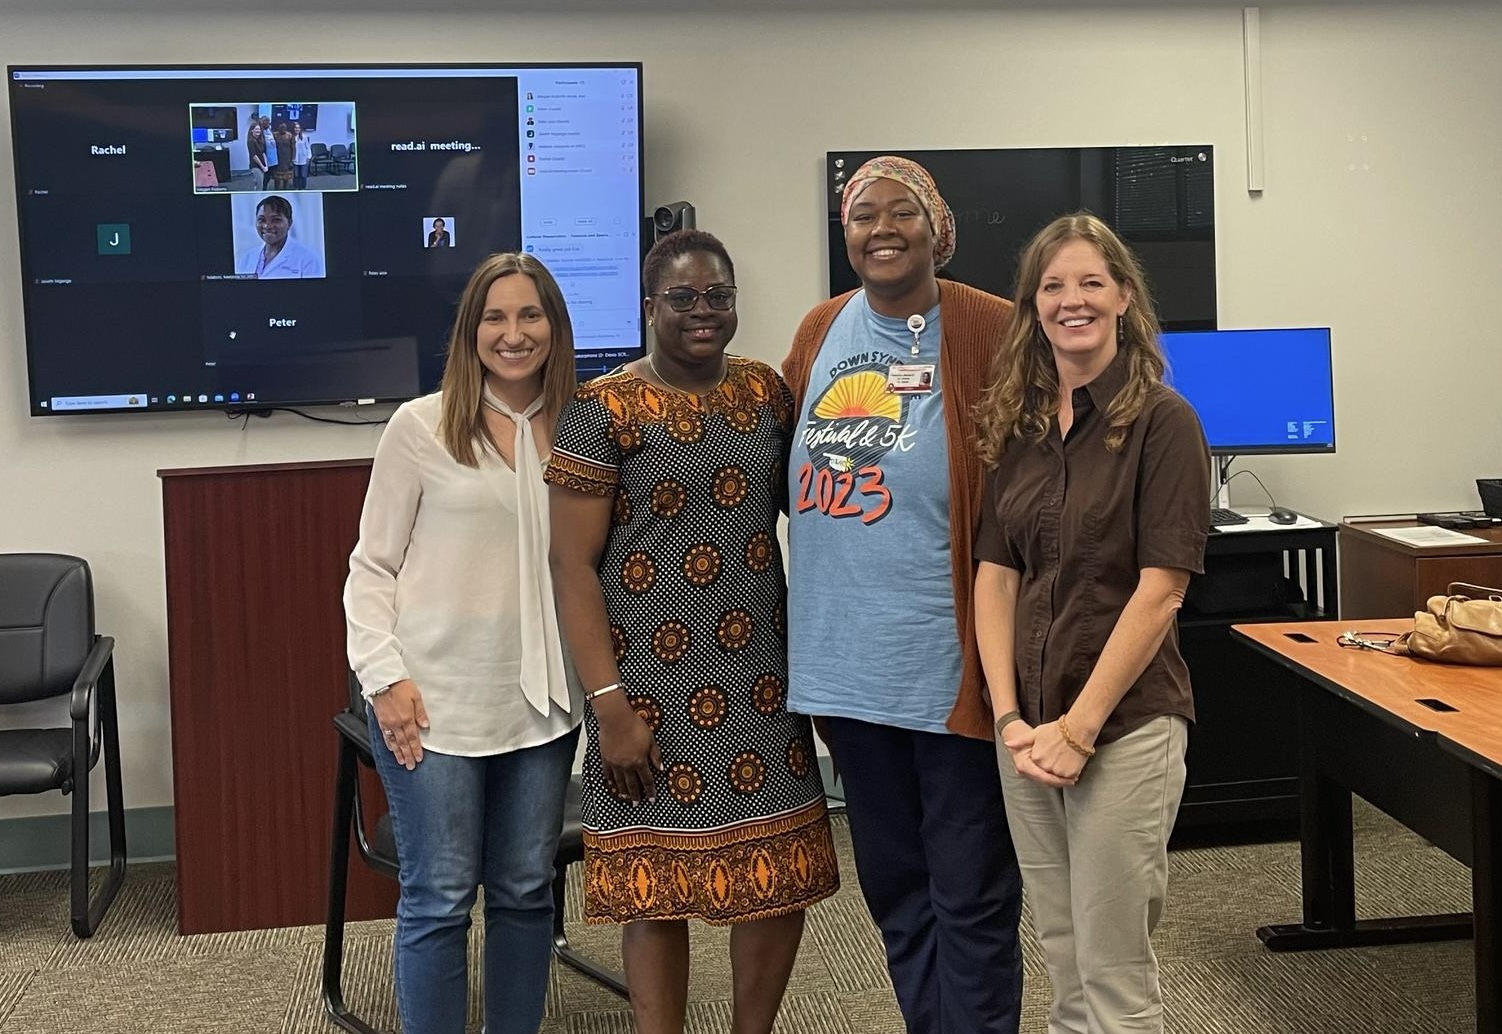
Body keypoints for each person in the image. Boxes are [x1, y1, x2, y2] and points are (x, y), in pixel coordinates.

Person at [547, 229, 839, 1034]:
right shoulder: (599, 409)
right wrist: (608, 708)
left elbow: (813, 514)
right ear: (649, 307)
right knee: (657, 891)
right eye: (683, 298)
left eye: (718, 296)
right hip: (645, 693)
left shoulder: (767, 395)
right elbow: (571, 568)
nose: (703, 312)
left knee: (777, 880)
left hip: (761, 686)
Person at [781, 155, 1023, 1034]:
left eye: (901, 214)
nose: (881, 229)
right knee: (898, 890)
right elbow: (782, 472)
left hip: (953, 668)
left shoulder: (989, 327)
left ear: (937, 229)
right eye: (862, 216)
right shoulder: (819, 331)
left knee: (971, 892)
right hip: (847, 670)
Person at [972, 212, 1211, 1034]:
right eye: (1053, 286)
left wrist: (1077, 729)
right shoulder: (1019, 424)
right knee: (1064, 954)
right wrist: (1008, 716)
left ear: (1123, 298)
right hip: (1029, 734)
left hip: (1123, 731)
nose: (1072, 300)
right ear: (1032, 306)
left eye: (1090, 282)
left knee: (1113, 973)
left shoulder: (1163, 423)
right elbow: (997, 578)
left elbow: (1161, 593)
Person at [344, 252, 583, 1034]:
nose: (514, 334)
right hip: (434, 702)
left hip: (542, 708)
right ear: (470, 331)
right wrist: (384, 680)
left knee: (523, 891)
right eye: (495, 318)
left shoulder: (584, 425)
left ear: (554, 325)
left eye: (530, 315)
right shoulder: (420, 426)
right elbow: (370, 568)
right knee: (441, 895)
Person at [235, 195, 324, 279]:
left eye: (276, 220)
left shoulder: (308, 259)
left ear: (289, 223)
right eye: (261, 220)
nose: (267, 226)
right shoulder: (246, 258)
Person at [245, 121, 268, 190]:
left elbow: (263, 153)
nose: (258, 131)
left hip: (262, 166)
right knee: (259, 185)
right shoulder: (251, 141)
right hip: (255, 166)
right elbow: (254, 156)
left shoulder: (260, 140)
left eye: (259, 129)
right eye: (256, 129)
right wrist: (262, 166)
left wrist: (266, 166)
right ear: (252, 130)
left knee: (259, 184)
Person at [292, 121, 311, 189]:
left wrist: (308, 157)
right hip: (295, 159)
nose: (297, 129)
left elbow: (308, 147)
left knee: (303, 175)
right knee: (296, 175)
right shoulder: (291, 137)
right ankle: (296, 188)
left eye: (298, 128)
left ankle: (302, 188)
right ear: (293, 128)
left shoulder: (304, 137)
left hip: (303, 159)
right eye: (296, 128)